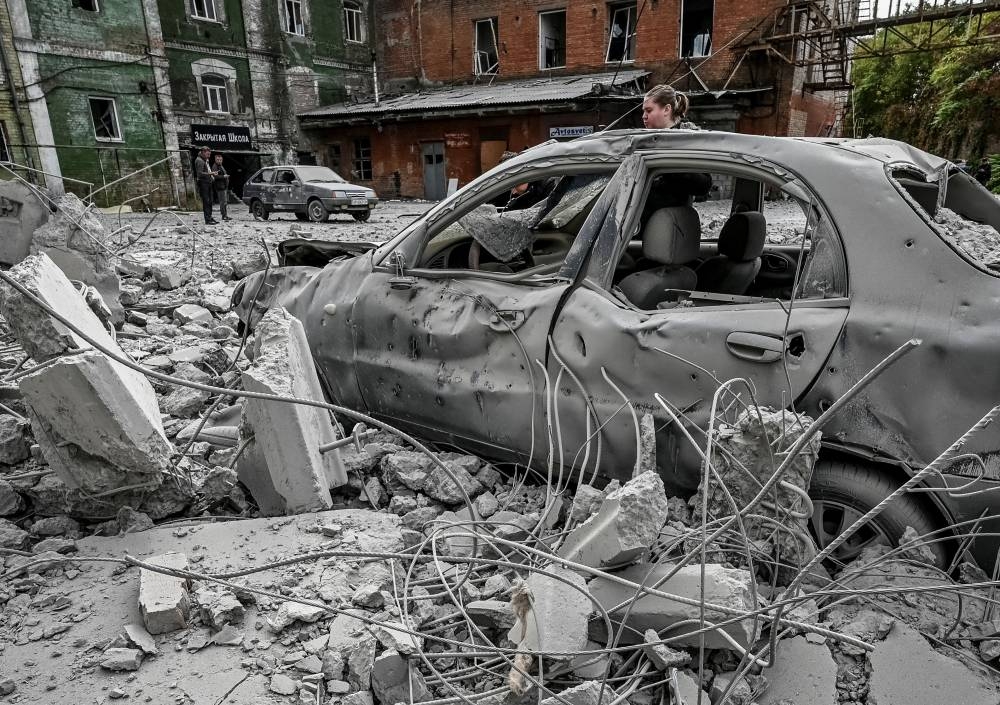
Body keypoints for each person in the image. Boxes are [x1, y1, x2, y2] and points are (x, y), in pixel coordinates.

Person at [193, 146, 218, 225]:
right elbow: (200, 174)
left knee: (210, 201)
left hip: (208, 182)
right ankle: (207, 219)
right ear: (203, 152)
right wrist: (211, 173)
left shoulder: (204, 160)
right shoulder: (199, 161)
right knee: (206, 201)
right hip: (203, 183)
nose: (209, 156)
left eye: (209, 154)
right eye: (207, 154)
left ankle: (210, 217)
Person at [212, 153, 231, 221]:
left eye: (220, 160)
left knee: (224, 202)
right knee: (222, 202)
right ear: (215, 159)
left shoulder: (220, 166)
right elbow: (215, 176)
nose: (219, 161)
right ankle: (224, 216)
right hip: (220, 187)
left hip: (224, 186)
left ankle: (225, 215)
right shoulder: (215, 166)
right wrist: (224, 176)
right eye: (218, 159)